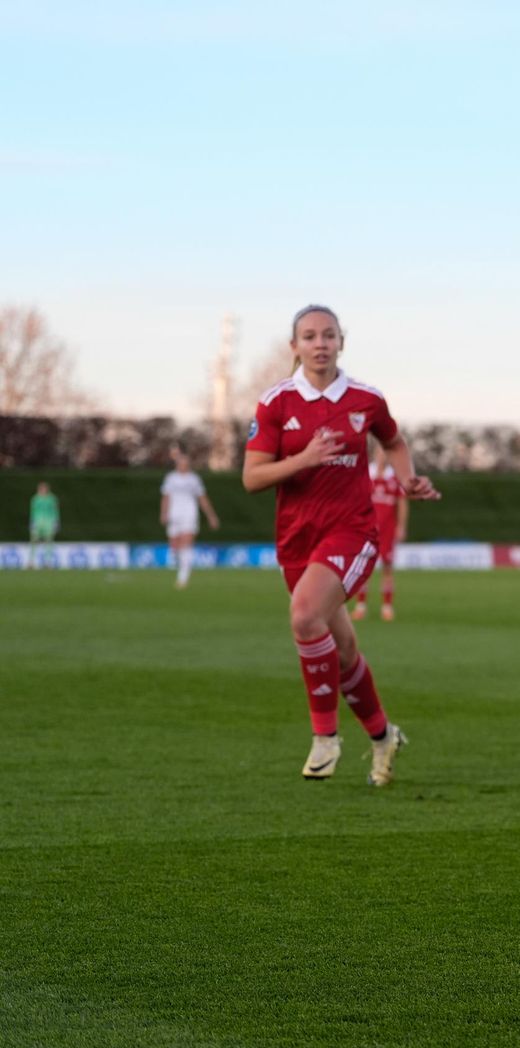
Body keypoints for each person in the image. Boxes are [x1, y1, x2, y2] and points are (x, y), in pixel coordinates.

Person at [243, 305, 440, 785]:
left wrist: (407, 479)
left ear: (341, 342)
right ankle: (383, 737)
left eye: (329, 335)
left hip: (352, 532)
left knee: (304, 615)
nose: (320, 344)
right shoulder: (275, 403)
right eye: (310, 336)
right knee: (344, 650)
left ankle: (325, 736)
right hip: (296, 540)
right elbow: (252, 478)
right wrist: (304, 459)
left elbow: (394, 442)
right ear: (294, 346)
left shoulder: (365, 399)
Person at [352, 450, 406, 622]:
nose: (382, 456)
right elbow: (356, 500)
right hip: (367, 529)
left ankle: (387, 607)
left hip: (387, 531)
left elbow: (402, 503)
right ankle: (360, 606)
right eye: (380, 453)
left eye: (385, 453)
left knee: (387, 568)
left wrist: (401, 526)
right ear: (375, 455)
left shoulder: (394, 477)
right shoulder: (366, 474)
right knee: (362, 567)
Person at [160, 449, 220, 588]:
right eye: (181, 463)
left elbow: (202, 498)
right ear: (177, 464)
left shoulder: (194, 479)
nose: (183, 465)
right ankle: (181, 567)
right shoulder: (170, 478)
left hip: (189, 514)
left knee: (186, 544)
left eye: (186, 463)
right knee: (174, 546)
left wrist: (211, 516)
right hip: (174, 514)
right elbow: (166, 497)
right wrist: (163, 513)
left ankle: (183, 578)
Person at [28, 482, 59, 569]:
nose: (42, 490)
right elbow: (32, 511)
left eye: (44, 488)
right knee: (33, 541)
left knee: (49, 541)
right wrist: (32, 522)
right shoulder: (35, 499)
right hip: (37, 522)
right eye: (41, 488)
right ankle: (31, 562)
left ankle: (48, 562)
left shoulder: (52, 498)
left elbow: (55, 511)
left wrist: (56, 522)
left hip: (49, 522)